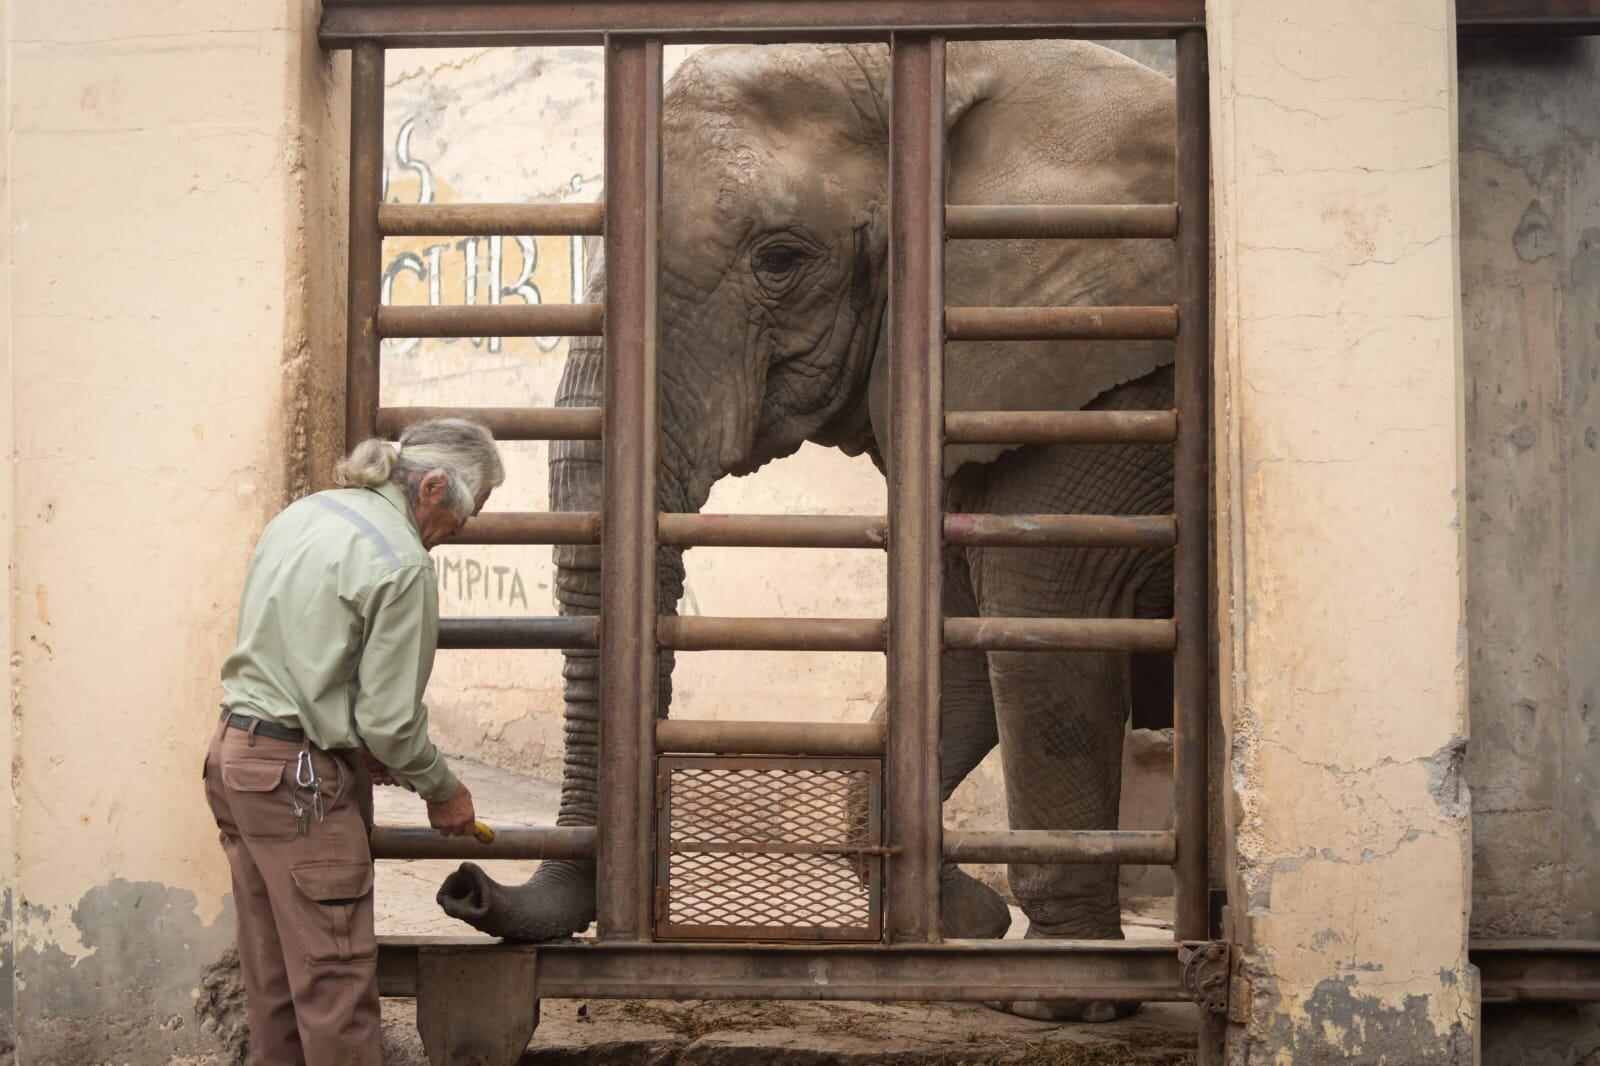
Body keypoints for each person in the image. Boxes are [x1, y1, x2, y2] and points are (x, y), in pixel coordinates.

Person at [203, 418, 505, 1065]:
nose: (454, 535)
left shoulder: (306, 514)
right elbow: (392, 722)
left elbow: (302, 652)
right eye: (462, 518)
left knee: (276, 986)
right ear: (431, 487)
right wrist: (442, 789)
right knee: (336, 997)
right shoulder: (403, 562)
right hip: (298, 787)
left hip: (235, 759)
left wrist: (348, 730)